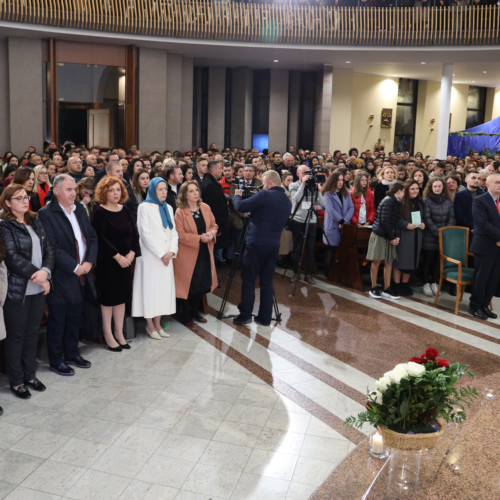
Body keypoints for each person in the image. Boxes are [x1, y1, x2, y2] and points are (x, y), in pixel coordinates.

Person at [37, 174, 97, 375]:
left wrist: (89, 261)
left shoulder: (79, 208)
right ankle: (56, 359)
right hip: (62, 275)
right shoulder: (46, 213)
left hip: (83, 272)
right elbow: (52, 247)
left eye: (74, 189)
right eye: (69, 190)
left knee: (75, 316)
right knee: (58, 320)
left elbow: (91, 237)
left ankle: (72, 353)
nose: (74, 193)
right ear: (56, 191)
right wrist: (75, 266)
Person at [0, 184, 53, 398]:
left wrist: (46, 272)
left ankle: (30, 375)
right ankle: (16, 380)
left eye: (26, 197)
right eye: (19, 198)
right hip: (17, 290)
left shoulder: (35, 220)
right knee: (17, 336)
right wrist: (39, 277)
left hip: (38, 288)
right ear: (7, 203)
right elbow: (12, 258)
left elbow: (49, 248)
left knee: (32, 334)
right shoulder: (5, 225)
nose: (24, 201)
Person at [232, 170, 291, 326]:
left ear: (270, 183)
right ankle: (264, 317)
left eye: (263, 184)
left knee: (249, 279)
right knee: (266, 281)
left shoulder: (265, 195)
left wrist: (237, 194)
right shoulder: (287, 200)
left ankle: (245, 314)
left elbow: (241, 206)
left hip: (256, 243)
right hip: (273, 244)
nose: (261, 187)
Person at [91, 176, 140, 351]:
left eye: (118, 189)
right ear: (104, 193)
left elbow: (134, 234)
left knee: (121, 299)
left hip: (126, 261)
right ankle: (108, 333)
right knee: (109, 300)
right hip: (109, 263)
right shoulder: (99, 211)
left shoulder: (125, 210)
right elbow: (100, 238)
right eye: (111, 190)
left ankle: (119, 333)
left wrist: (132, 253)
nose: (115, 193)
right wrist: (118, 256)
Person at [132, 178, 178, 339]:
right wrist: (160, 253)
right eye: (160, 189)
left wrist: (171, 251)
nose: (164, 192)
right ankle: (150, 325)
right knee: (150, 290)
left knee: (162, 291)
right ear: (152, 190)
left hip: (166, 257)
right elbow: (145, 234)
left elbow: (173, 232)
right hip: (151, 256)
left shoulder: (169, 207)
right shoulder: (144, 207)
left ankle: (158, 323)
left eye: (165, 189)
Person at [174, 181, 218, 326]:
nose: (195, 193)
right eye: (191, 191)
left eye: (196, 190)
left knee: (201, 282)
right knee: (189, 284)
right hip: (188, 254)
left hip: (205, 251)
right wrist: (199, 238)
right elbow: (180, 235)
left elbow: (214, 225)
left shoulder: (205, 207)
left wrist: (211, 234)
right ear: (184, 194)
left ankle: (195, 312)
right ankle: (185, 315)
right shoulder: (180, 211)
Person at [468, 173, 500, 320]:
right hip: (485, 245)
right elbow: (482, 224)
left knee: (493, 278)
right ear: (487, 185)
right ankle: (474, 306)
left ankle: (485, 305)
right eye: (497, 182)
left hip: (498, 246)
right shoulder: (480, 201)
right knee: (481, 277)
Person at [366, 182, 405, 300]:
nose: (404, 194)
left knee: (389, 262)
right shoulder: (388, 201)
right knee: (377, 261)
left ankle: (387, 288)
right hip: (380, 235)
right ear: (399, 191)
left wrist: (396, 236)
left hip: (389, 236)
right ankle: (373, 287)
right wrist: (392, 238)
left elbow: (397, 221)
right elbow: (385, 221)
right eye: (404, 191)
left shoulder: (396, 202)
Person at [289, 165, 325, 285]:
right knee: (297, 248)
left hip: (311, 220)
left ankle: (308, 274)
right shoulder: (293, 185)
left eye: (308, 173)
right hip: (298, 220)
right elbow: (296, 199)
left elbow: (323, 203)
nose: (307, 175)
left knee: (310, 248)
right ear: (298, 174)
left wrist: (319, 191)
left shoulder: (314, 185)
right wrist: (303, 185)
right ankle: (296, 273)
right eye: (304, 173)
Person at [422, 178, 454, 296]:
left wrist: (445, 232)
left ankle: (435, 282)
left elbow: (451, 218)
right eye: (435, 186)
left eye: (439, 186)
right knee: (428, 260)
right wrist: (438, 232)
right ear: (431, 188)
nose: (437, 188)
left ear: (443, 187)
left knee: (438, 261)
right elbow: (427, 219)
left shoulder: (448, 201)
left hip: (444, 236)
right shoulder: (427, 201)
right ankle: (425, 283)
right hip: (430, 236)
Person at [392, 180, 425, 296]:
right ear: (406, 190)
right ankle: (396, 284)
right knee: (400, 260)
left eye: (417, 188)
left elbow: (424, 216)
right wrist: (406, 225)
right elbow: (396, 218)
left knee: (412, 260)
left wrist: (423, 223)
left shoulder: (420, 202)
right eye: (412, 189)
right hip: (404, 234)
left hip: (417, 235)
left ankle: (405, 284)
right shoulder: (401, 203)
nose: (415, 191)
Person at [321, 171, 354, 275]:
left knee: (341, 250)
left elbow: (351, 207)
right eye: (338, 180)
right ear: (333, 181)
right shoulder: (328, 193)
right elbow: (330, 210)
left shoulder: (346, 193)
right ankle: (327, 271)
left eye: (342, 180)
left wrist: (344, 221)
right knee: (331, 248)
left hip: (344, 224)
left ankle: (337, 272)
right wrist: (340, 220)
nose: (340, 182)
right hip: (333, 225)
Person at [201, 160, 230, 265]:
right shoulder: (210, 185)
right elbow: (215, 209)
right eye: (220, 168)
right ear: (213, 170)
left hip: (215, 224)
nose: (222, 171)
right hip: (214, 225)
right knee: (211, 252)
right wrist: (217, 227)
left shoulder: (211, 182)